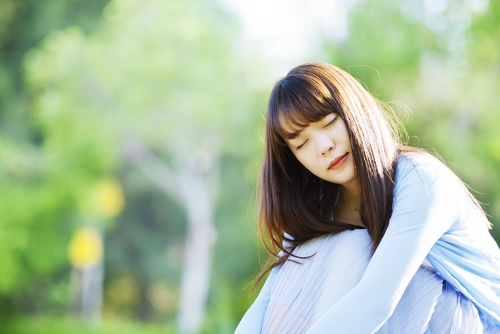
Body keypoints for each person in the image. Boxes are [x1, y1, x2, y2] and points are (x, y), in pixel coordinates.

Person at [235, 62, 500, 333]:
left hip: (474, 321)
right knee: (312, 252)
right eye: (302, 144)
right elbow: (266, 304)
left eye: (329, 123)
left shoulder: (422, 180)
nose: (324, 147)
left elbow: (377, 299)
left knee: (353, 248)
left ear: (354, 112)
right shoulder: (318, 207)